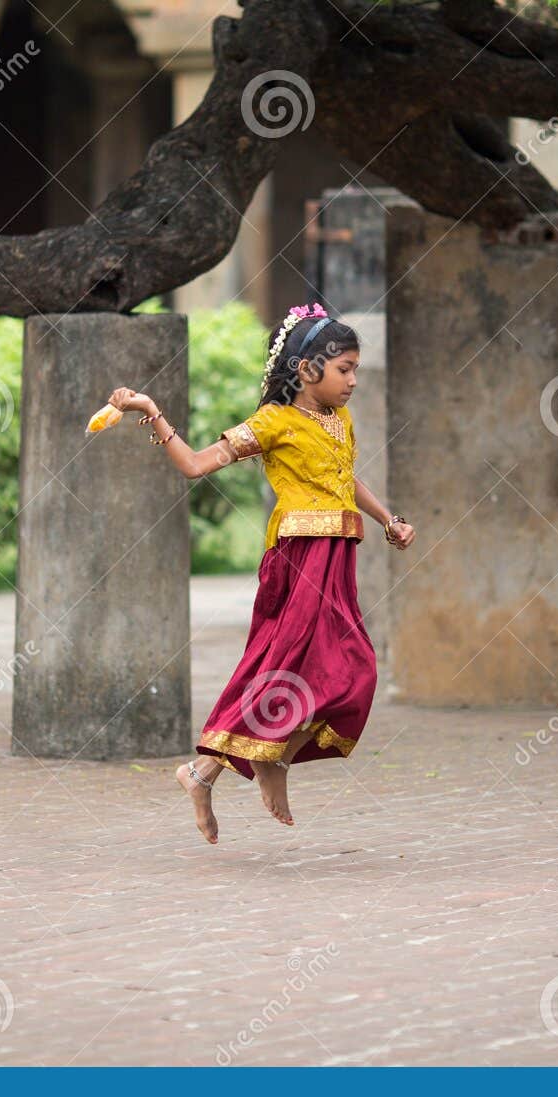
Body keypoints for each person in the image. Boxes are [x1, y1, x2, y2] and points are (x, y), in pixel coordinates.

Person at [105, 302, 415, 844]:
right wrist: (151, 411)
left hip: (338, 557)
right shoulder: (272, 423)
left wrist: (389, 519)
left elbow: (346, 479)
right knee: (285, 668)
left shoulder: (339, 420)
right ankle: (259, 762)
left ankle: (212, 772)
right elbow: (196, 465)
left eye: (355, 369)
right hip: (298, 559)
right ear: (306, 369)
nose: (353, 381)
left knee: (350, 670)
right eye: (344, 369)